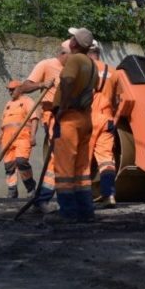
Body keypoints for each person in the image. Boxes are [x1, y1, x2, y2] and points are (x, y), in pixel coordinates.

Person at [47, 27, 98, 224]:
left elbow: (67, 82)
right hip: (85, 119)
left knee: (65, 168)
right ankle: (85, 211)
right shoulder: (92, 65)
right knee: (81, 169)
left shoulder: (74, 60)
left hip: (69, 119)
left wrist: (62, 108)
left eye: (72, 38)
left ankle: (67, 212)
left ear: (75, 44)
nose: (69, 39)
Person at [17, 40, 70, 212]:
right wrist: (42, 84)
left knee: (63, 159)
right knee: (57, 158)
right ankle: (43, 199)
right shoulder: (46, 65)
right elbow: (24, 87)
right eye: (72, 56)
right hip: (52, 117)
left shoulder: (71, 69)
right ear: (63, 54)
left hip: (69, 118)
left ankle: (49, 199)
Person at [87, 40, 120, 208]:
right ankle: (109, 196)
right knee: (106, 159)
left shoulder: (84, 69)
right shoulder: (113, 72)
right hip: (106, 119)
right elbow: (122, 99)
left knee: (83, 160)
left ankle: (83, 199)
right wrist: (116, 117)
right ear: (99, 52)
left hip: (86, 118)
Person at [0, 79, 39, 198]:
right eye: (9, 90)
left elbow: (35, 118)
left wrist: (33, 136)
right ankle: (12, 190)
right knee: (9, 165)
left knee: (21, 162)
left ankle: (30, 187)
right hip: (7, 139)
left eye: (12, 89)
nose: (10, 92)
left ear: (20, 89)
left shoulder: (27, 101)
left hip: (22, 137)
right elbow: (4, 123)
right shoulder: (8, 104)